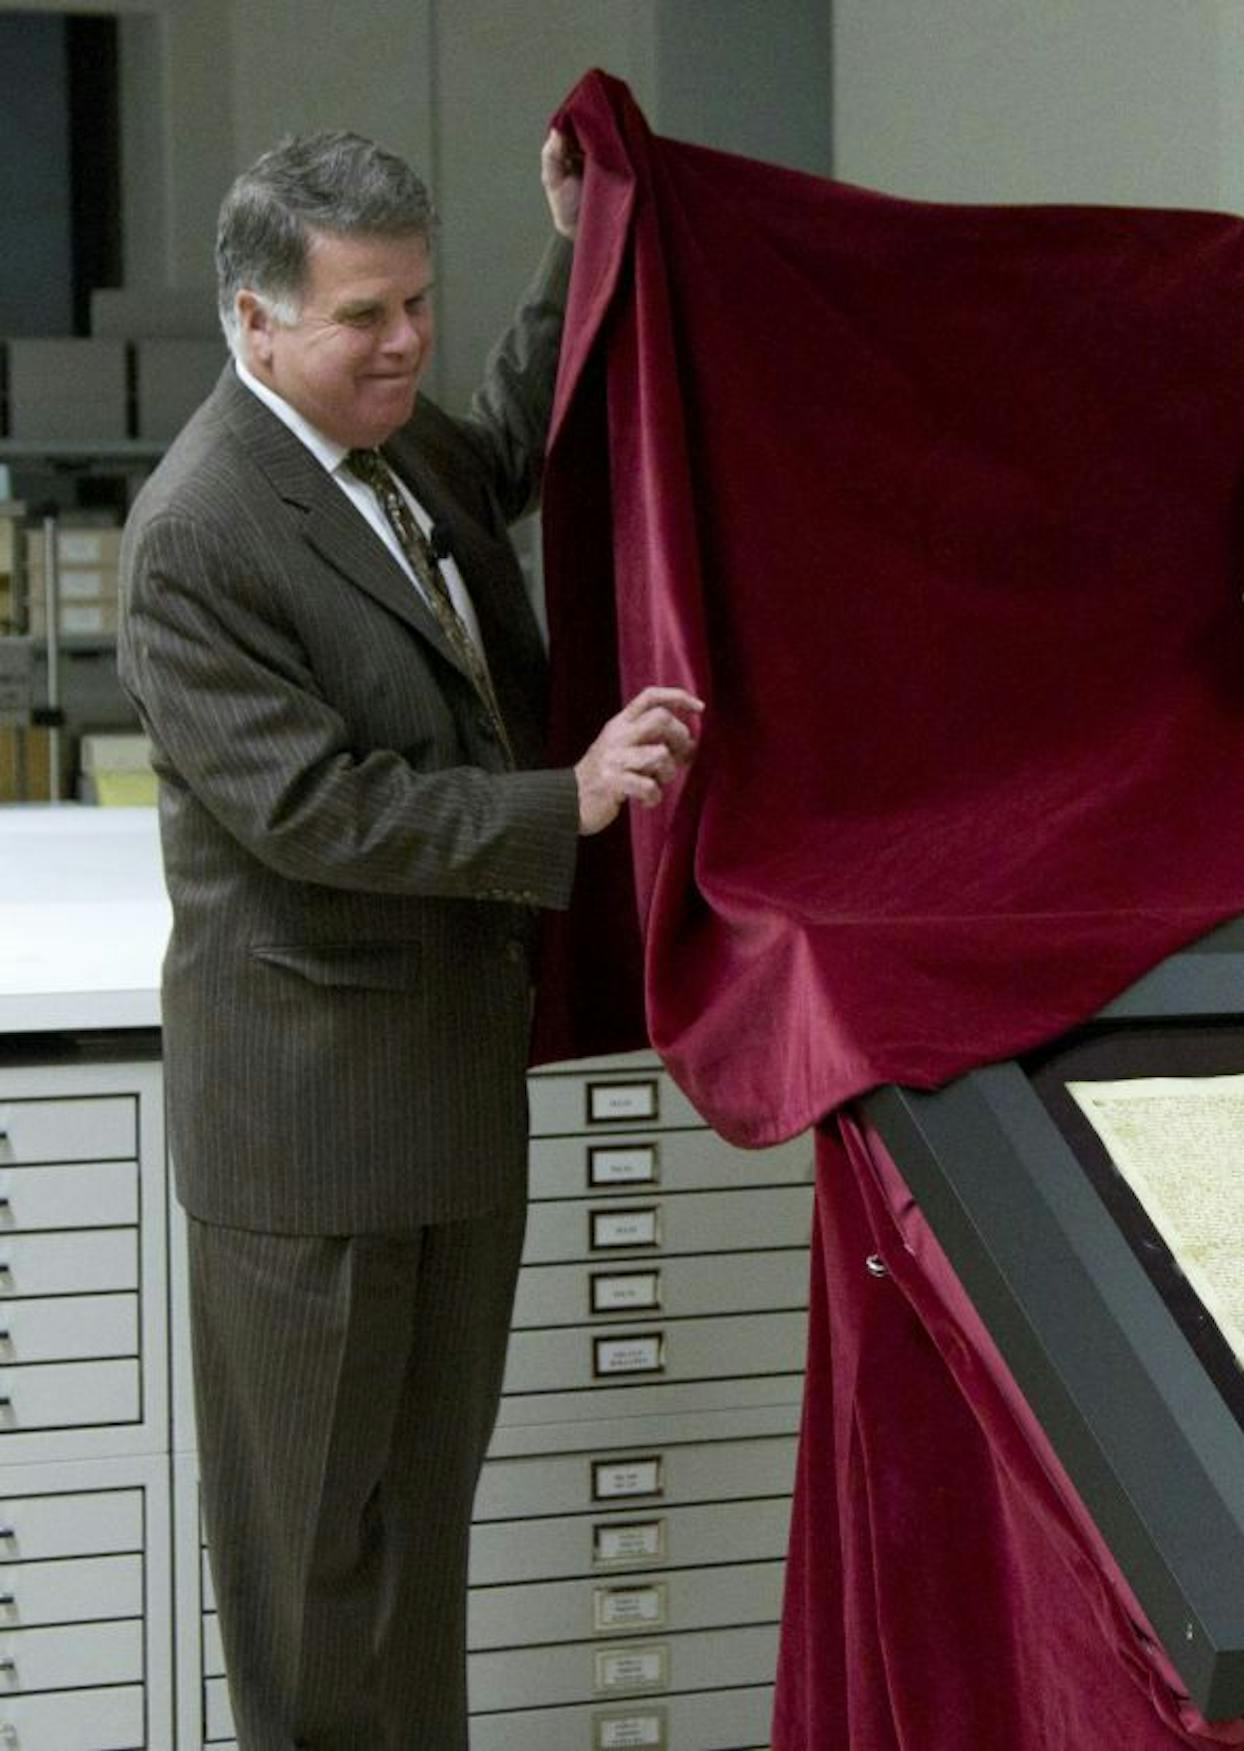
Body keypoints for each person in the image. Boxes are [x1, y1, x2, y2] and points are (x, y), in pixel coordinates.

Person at [118, 128, 701, 1748]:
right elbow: (314, 810)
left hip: (448, 1100)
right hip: (308, 1132)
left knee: (423, 1542)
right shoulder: (199, 533)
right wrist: (564, 802)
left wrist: (576, 244)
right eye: (364, 315)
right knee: (313, 1562)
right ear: (253, 322)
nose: (404, 344)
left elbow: (509, 443)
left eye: (419, 303)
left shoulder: (388, 447)